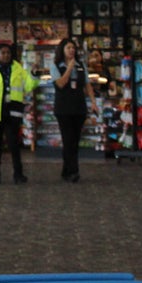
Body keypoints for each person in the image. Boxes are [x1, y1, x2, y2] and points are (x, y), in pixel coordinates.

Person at [0, 42, 35, 184]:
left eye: (8, 53)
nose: (6, 55)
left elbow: (28, 86)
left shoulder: (18, 68)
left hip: (13, 110)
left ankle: (18, 174)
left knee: (14, 144)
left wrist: (34, 76)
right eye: (3, 53)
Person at [52, 38, 90, 182]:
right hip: (63, 108)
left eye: (73, 48)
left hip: (79, 106)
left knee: (74, 140)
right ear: (62, 50)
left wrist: (93, 102)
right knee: (68, 139)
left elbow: (87, 84)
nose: (71, 50)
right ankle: (74, 171)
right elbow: (60, 84)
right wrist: (69, 68)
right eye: (68, 48)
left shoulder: (81, 65)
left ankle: (66, 170)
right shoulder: (55, 65)